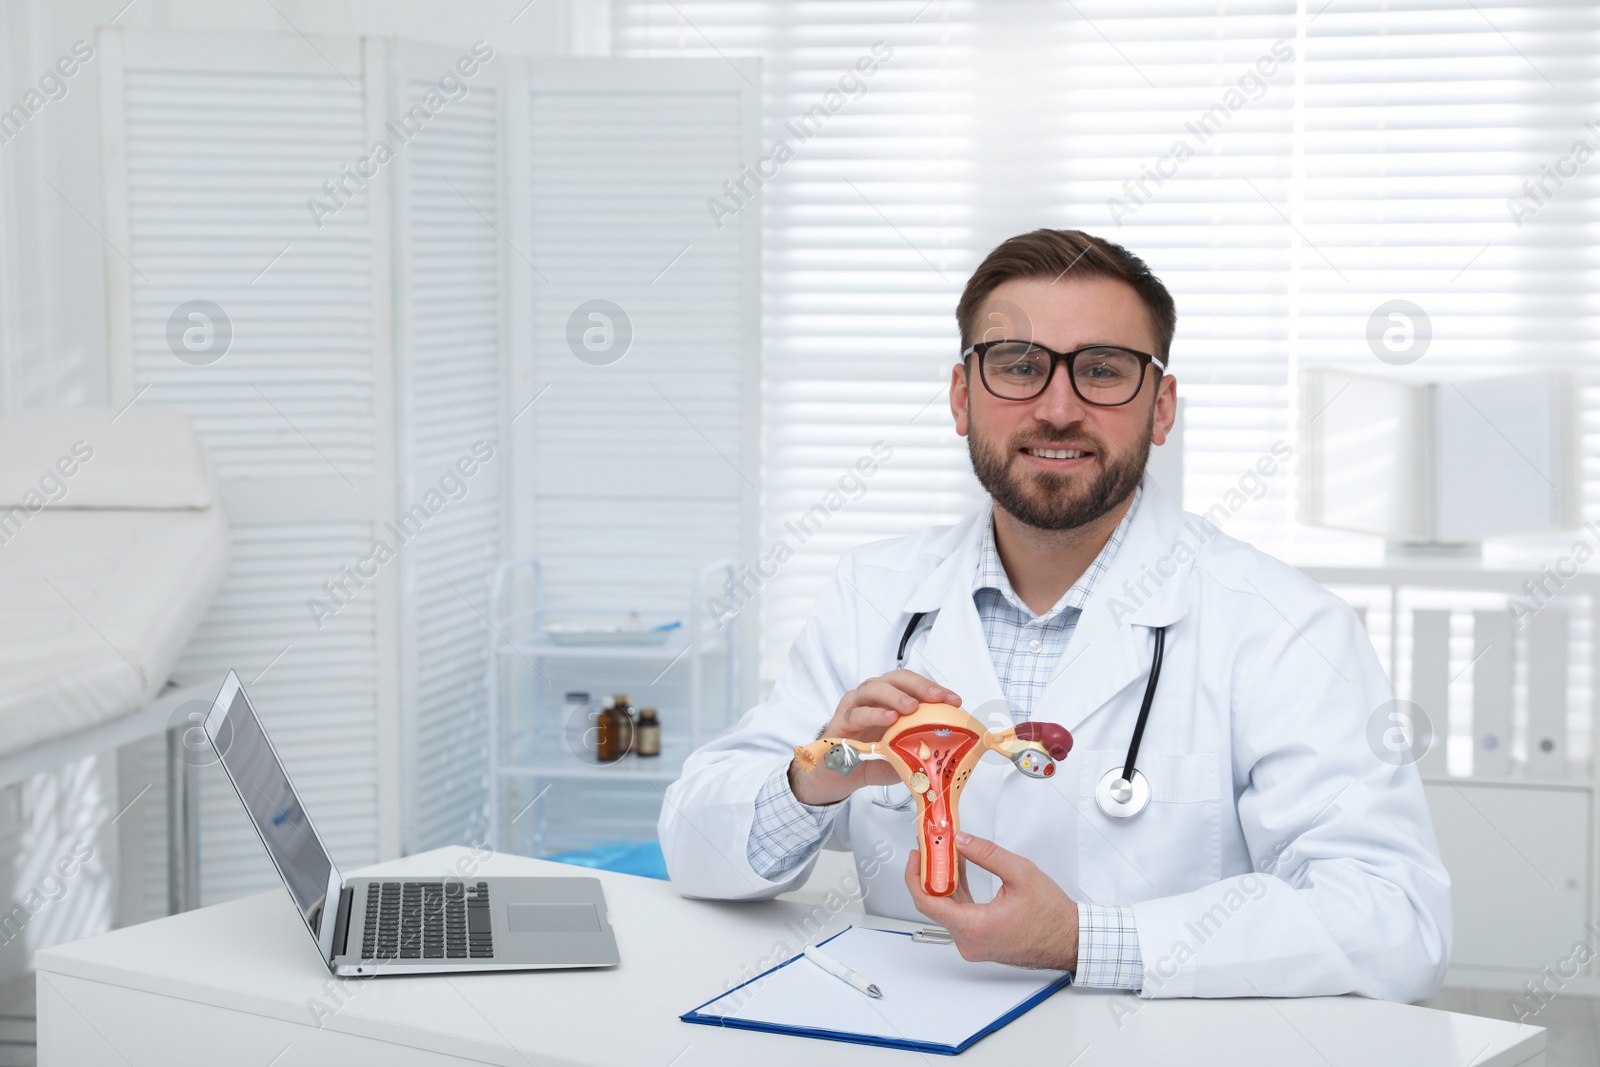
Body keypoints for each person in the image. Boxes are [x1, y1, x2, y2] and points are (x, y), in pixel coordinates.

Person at [658, 228, 1450, 1000]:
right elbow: (694, 845)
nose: (1059, 407)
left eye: (1102, 370)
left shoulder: (1284, 624)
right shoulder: (874, 591)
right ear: (963, 398)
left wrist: (1086, 939)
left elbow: (1393, 918)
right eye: (1020, 367)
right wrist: (819, 774)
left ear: (1162, 407)